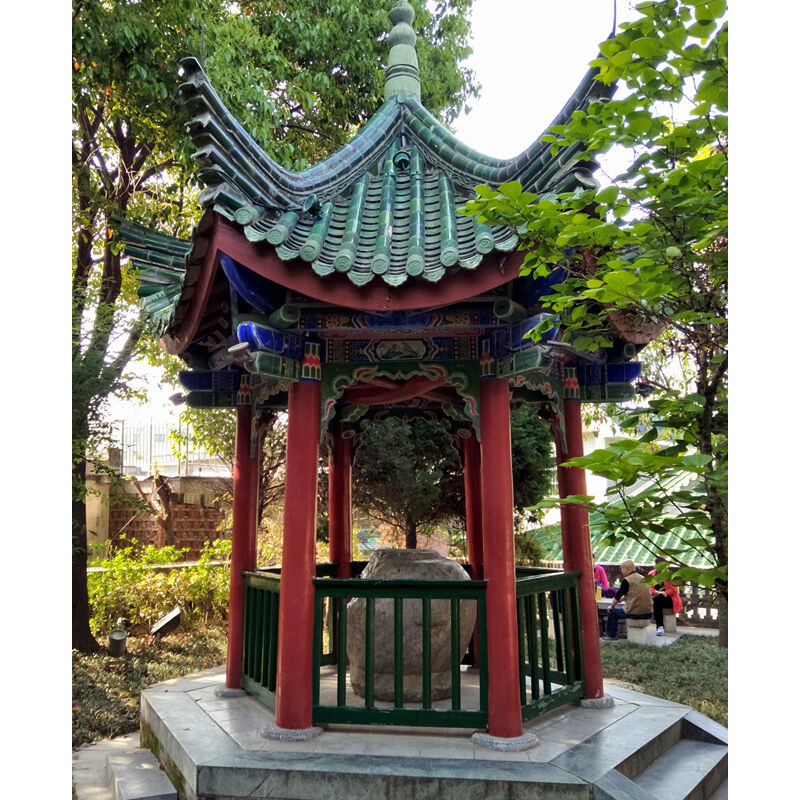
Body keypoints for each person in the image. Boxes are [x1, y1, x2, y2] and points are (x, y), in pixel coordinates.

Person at [602, 559, 653, 640]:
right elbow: (634, 594)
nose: (621, 571)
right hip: (648, 612)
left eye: (621, 568)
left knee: (612, 612)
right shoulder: (643, 578)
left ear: (626, 568)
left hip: (635, 612)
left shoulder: (627, 580)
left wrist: (611, 606)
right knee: (619, 610)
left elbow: (617, 596)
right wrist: (621, 600)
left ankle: (611, 635)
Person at [648, 557, 683, 636]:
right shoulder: (651, 574)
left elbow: (674, 590)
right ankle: (660, 626)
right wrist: (658, 592)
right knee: (657, 600)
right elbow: (649, 588)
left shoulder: (669, 575)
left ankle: (660, 627)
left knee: (657, 600)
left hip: (670, 599)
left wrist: (665, 593)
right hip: (657, 598)